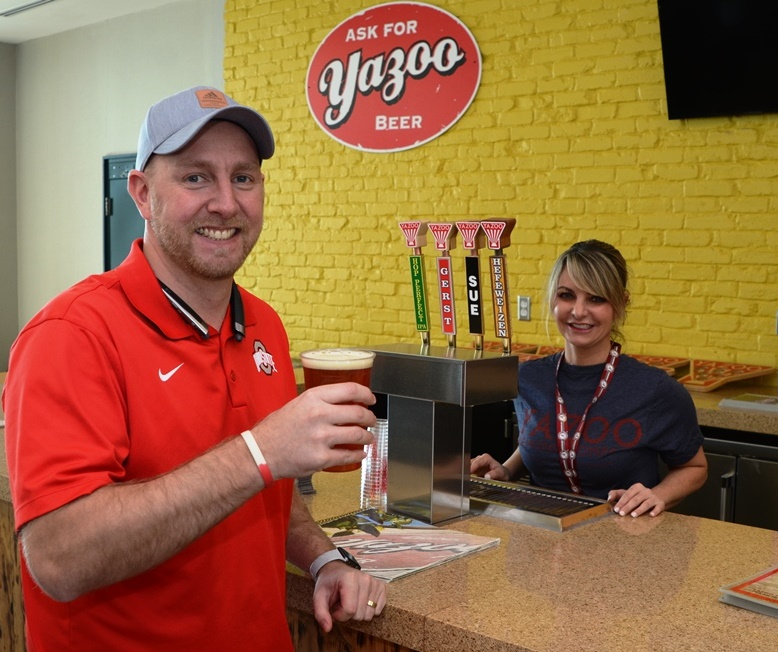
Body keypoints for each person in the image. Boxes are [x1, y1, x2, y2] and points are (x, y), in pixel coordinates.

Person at [1, 86, 386, 651]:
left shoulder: (264, 326)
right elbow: (59, 559)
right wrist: (258, 451)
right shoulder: (71, 336)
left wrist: (324, 558)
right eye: (196, 177)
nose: (226, 203)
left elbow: (267, 490)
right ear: (142, 194)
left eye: (245, 178)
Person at [471, 240, 707, 518]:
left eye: (596, 299)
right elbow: (549, 435)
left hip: (623, 543)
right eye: (567, 295)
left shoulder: (655, 389)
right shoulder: (528, 379)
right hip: (538, 540)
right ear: (552, 300)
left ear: (621, 304)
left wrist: (658, 495)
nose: (579, 311)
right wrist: (507, 470)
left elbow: (695, 467)